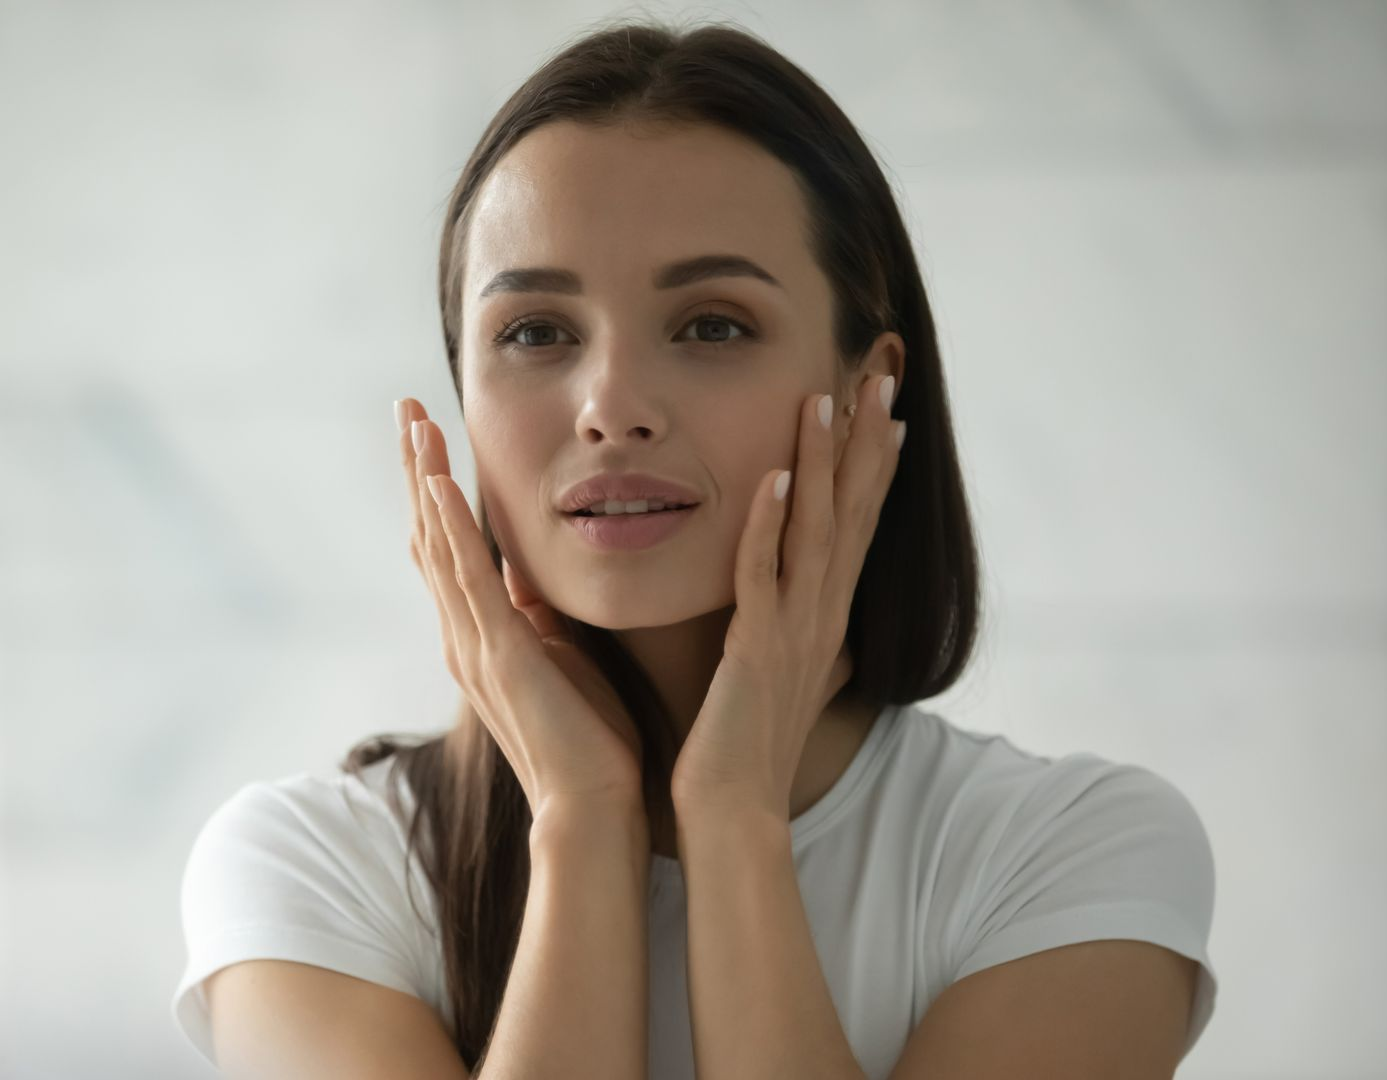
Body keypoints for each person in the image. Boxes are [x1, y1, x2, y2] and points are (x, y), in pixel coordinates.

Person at [172, 17, 1218, 1080]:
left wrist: (733, 821)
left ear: (869, 393)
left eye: (711, 325)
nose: (610, 409)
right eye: (536, 331)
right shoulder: (312, 870)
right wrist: (582, 824)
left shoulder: (1069, 856)